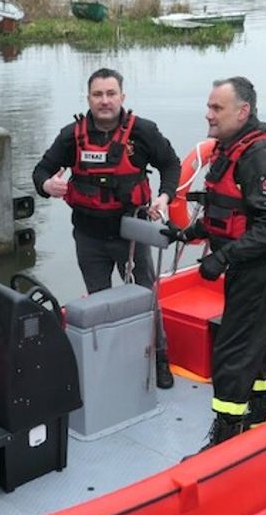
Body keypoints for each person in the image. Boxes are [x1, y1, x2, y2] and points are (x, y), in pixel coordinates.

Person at [164, 76, 266, 447]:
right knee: (252, 343)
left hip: (262, 266)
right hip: (247, 263)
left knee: (232, 351)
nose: (208, 115)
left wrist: (221, 258)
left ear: (243, 111)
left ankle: (226, 436)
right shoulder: (232, 148)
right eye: (209, 106)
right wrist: (189, 234)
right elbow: (229, 212)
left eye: (216, 108)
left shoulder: (261, 156)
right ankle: (261, 409)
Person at [33, 68, 181, 388]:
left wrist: (165, 197)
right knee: (99, 303)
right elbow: (41, 170)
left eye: (111, 94)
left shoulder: (143, 131)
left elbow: (171, 164)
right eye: (98, 95)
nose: (104, 101)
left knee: (146, 299)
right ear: (88, 98)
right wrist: (47, 185)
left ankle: (160, 357)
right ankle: (113, 362)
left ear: (122, 97)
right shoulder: (70, 135)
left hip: (133, 233)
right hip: (89, 238)